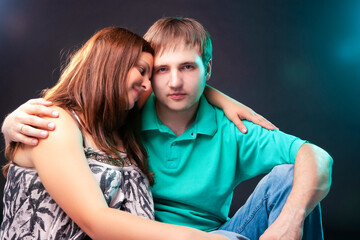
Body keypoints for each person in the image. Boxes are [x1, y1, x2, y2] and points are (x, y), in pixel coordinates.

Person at [2, 17, 333, 240]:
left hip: (217, 234)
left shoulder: (231, 126)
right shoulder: (126, 111)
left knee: (292, 177)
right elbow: (96, 218)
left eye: (189, 67)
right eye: (159, 71)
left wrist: (290, 222)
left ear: (207, 70)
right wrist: (9, 125)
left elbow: (315, 155)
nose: (173, 82)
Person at [0, 26, 234, 240]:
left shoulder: (121, 124)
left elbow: (181, 91)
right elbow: (97, 221)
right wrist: (207, 239)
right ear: (112, 66)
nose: (147, 85)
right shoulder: (55, 122)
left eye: (150, 76)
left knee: (273, 183)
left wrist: (226, 102)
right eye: (142, 71)